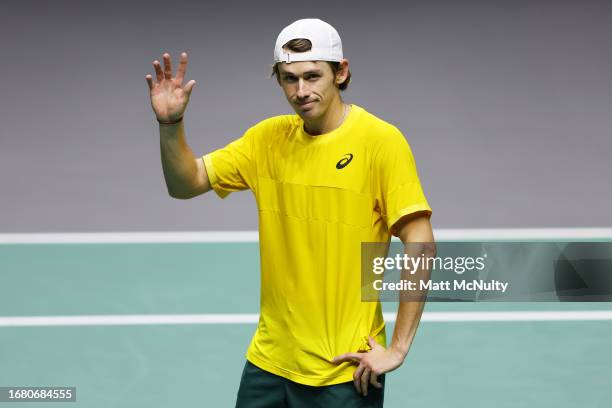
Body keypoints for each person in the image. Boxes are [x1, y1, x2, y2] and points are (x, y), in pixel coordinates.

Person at [146, 18, 435, 408]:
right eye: (288, 79)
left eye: (312, 76)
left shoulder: (380, 142)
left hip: (343, 373)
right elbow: (185, 183)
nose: (301, 91)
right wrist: (170, 124)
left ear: (341, 72)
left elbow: (420, 242)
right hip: (267, 365)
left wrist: (398, 348)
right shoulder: (268, 140)